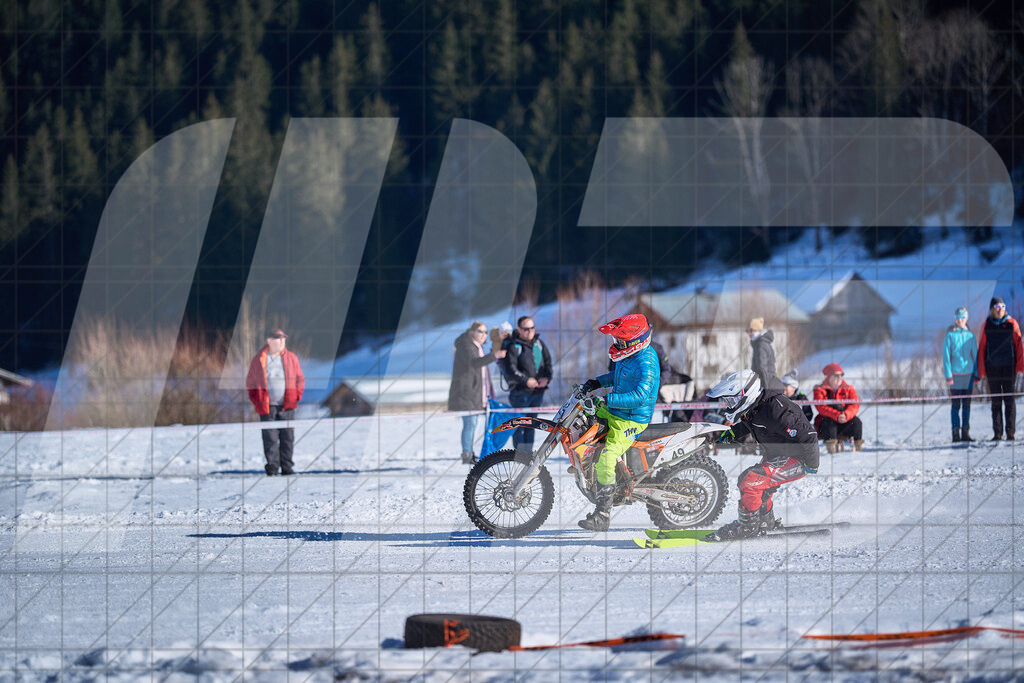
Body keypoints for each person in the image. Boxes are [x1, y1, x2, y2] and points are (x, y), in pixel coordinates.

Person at [704, 368, 819, 541]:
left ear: (745, 393)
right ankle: (764, 522)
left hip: (800, 459)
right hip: (778, 455)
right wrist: (733, 434)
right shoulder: (756, 406)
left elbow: (808, 435)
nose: (730, 405)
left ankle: (748, 528)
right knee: (759, 490)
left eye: (732, 400)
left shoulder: (777, 409)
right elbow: (749, 423)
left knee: (750, 480)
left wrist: (812, 463)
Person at [577, 314, 660, 531]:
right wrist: (596, 382)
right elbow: (617, 377)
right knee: (585, 422)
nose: (617, 345)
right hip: (616, 410)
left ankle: (603, 515)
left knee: (606, 457)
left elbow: (640, 395)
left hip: (631, 419)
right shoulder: (630, 356)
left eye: (620, 342)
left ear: (634, 341)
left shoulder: (647, 361)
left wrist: (607, 398)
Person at [246, 329, 305, 475]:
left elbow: (300, 379)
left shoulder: (291, 358)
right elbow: (250, 383)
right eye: (279, 339)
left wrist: (296, 396)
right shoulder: (259, 359)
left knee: (287, 438)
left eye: (283, 340)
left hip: (287, 406)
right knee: (270, 439)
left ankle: (287, 468)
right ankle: (272, 468)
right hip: (267, 407)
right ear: (270, 341)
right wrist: (257, 401)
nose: (282, 342)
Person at [447, 321, 507, 464]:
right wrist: (494, 355)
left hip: (474, 392)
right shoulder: (466, 346)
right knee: (470, 423)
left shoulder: (476, 346)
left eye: (485, 332)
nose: (483, 334)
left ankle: (469, 453)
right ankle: (467, 455)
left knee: (472, 424)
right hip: (466, 393)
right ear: (472, 332)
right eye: (480, 331)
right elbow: (475, 363)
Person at [500, 316, 553, 456]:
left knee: (531, 425)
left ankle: (527, 454)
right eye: (526, 329)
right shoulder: (513, 345)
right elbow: (511, 369)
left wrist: (546, 378)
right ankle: (519, 455)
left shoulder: (539, 343)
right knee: (519, 425)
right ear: (519, 329)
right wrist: (525, 380)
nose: (530, 331)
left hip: (537, 392)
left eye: (532, 328)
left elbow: (548, 363)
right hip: (519, 393)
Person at [977, 296, 1023, 441]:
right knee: (996, 401)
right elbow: (982, 348)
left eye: (1002, 306)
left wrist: (1020, 366)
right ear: (992, 309)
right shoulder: (987, 325)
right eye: (997, 307)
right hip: (993, 368)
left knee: (1009, 400)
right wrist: (981, 370)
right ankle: (997, 433)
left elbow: (1019, 346)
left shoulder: (1011, 323)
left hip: (1009, 366)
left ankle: (1010, 432)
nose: (1000, 310)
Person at [943, 306, 978, 443]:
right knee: (955, 405)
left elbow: (975, 354)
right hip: (955, 375)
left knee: (967, 405)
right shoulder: (950, 335)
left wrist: (976, 373)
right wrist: (948, 375)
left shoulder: (970, 335)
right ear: (955, 319)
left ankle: (965, 432)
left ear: (966, 319)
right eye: (958, 317)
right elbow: (946, 357)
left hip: (968, 374)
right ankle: (955, 433)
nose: (961, 320)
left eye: (963, 317)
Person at [813, 363, 863, 454]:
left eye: (841, 375)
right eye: (836, 375)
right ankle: (832, 452)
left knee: (857, 422)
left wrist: (846, 415)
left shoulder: (849, 388)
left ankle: (858, 449)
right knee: (829, 423)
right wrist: (836, 415)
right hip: (827, 424)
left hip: (844, 420)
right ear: (829, 377)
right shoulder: (820, 390)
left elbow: (855, 405)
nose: (839, 377)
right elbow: (821, 407)